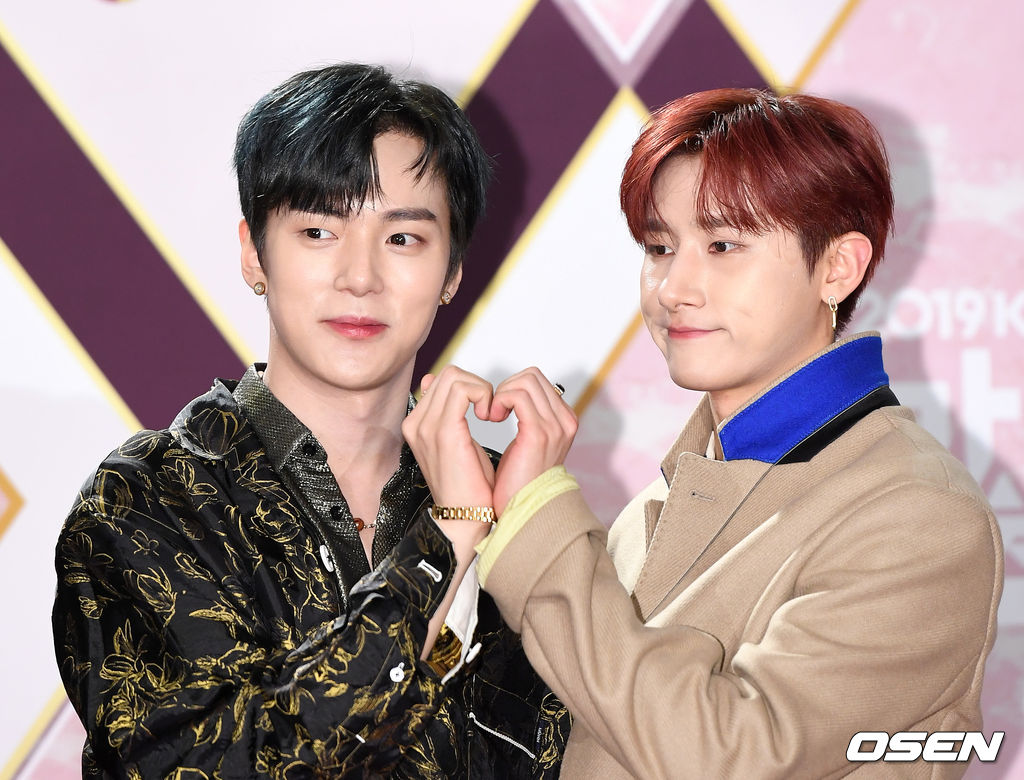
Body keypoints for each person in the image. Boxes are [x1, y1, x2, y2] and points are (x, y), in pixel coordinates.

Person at [404, 89, 1004, 777]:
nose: (674, 288)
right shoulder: (672, 495)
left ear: (838, 267)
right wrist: (465, 523)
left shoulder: (920, 515)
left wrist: (536, 513)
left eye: (723, 245)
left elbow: (727, 759)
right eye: (660, 247)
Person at [52, 63, 567, 778]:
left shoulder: (511, 504)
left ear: (452, 271)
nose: (360, 277)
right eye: (319, 231)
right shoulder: (147, 502)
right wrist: (448, 536)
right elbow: (222, 762)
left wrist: (542, 524)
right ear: (253, 253)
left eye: (403, 239)